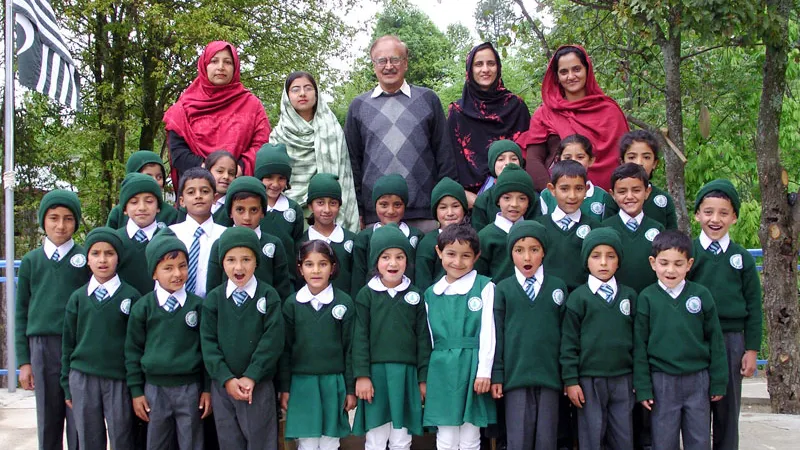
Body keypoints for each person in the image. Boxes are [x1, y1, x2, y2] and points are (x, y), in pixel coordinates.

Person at [345, 35, 457, 232]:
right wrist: (360, 210)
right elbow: (352, 163)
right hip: (377, 216)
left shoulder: (428, 99)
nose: (389, 66)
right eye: (382, 60)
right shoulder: (358, 107)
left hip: (425, 213)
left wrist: (446, 203)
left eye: (395, 59)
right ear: (374, 65)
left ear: (405, 63)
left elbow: (445, 154)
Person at [633, 230, 728, 450]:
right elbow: (640, 346)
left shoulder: (701, 295)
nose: (670, 270)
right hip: (662, 381)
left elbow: (715, 341)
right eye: (664, 263)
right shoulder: (647, 298)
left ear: (689, 264)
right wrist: (644, 387)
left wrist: (718, 381)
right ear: (653, 263)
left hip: (698, 380)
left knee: (699, 439)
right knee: (664, 440)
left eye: (678, 263)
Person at [689, 180, 762, 450]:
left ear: (734, 216)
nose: (715, 219)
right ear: (697, 215)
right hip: (696, 339)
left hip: (731, 341)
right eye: (708, 212)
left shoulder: (741, 258)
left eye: (723, 213)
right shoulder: (689, 254)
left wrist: (751, 349)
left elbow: (754, 306)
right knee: (696, 407)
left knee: (727, 409)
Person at [201, 227, 285, 450]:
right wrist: (226, 378)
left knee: (261, 442)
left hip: (257, 385)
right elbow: (208, 343)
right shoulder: (214, 299)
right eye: (231, 260)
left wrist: (252, 375)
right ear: (222, 263)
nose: (239, 267)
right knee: (229, 441)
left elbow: (272, 340)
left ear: (256, 261)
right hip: (223, 387)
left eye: (246, 259)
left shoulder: (268, 296)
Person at [125, 230, 210, 450]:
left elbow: (207, 350)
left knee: (191, 442)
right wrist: (136, 391)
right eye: (168, 268)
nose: (177, 274)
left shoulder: (198, 307)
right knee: (157, 443)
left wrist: (207, 389)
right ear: (154, 273)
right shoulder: (143, 308)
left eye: (182, 266)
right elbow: (133, 352)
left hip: (190, 388)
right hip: (154, 389)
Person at [16, 189, 87, 450]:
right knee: (48, 415)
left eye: (68, 218)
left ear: (76, 222)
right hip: (42, 347)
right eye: (53, 218)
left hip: (78, 346)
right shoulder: (31, 261)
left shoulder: (86, 258)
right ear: (43, 220)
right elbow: (21, 311)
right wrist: (24, 361)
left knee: (78, 414)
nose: (60, 225)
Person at [352, 224, 431, 450]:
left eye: (399, 256)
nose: (393, 263)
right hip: (375, 376)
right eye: (385, 257)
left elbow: (423, 340)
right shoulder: (366, 295)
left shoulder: (416, 295)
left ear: (407, 261)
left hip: (406, 375)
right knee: (376, 437)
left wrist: (422, 378)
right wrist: (362, 376)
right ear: (375, 261)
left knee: (401, 437)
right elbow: (359, 338)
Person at [61, 227, 140, 450]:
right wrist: (67, 384)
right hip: (83, 379)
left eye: (109, 253)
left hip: (118, 380)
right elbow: (68, 344)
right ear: (87, 259)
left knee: (122, 436)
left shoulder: (131, 297)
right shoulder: (78, 298)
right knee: (88, 437)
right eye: (95, 253)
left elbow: (136, 345)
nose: (102, 260)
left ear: (118, 258)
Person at [492, 221, 568, 450]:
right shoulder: (503, 289)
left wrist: (567, 376)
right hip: (515, 378)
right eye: (519, 250)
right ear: (511, 253)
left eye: (534, 250)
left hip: (550, 377)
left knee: (547, 440)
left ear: (544, 251)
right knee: (518, 439)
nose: (527, 257)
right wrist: (497, 375)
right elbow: (497, 336)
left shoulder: (558, 287)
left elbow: (566, 336)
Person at [560, 228, 637, 450]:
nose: (603, 262)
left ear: (618, 261)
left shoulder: (629, 297)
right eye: (596, 256)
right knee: (592, 436)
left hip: (623, 378)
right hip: (589, 381)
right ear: (586, 261)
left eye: (610, 256)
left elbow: (639, 341)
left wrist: (638, 378)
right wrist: (571, 380)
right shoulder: (578, 299)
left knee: (623, 437)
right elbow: (569, 343)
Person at [516, 45, 629, 191]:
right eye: (564, 72)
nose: (570, 76)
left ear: (587, 70)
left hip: (610, 199)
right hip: (561, 201)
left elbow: (626, 158)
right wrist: (555, 196)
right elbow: (533, 160)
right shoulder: (545, 113)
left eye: (576, 69)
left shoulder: (610, 111)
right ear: (557, 76)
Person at [423, 223, 496, 450]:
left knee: (470, 434)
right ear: (439, 252)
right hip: (441, 369)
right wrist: (425, 376)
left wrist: (484, 371)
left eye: (466, 255)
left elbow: (488, 332)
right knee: (445, 435)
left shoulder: (484, 287)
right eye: (451, 254)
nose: (457, 261)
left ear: (477, 256)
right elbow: (428, 339)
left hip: (472, 366)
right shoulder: (430, 294)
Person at [278, 241, 356, 450]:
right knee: (307, 443)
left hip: (333, 383)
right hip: (302, 385)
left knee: (330, 442)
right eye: (309, 264)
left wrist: (350, 389)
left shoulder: (344, 303)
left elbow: (350, 349)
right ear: (300, 269)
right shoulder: (292, 305)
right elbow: (284, 350)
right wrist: (285, 388)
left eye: (323, 264)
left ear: (333, 267)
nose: (316, 270)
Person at [164, 40, 270, 187]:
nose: (221, 67)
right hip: (196, 192)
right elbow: (178, 152)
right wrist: (208, 172)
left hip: (240, 191)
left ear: (235, 67)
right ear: (204, 65)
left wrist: (236, 171)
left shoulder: (252, 106)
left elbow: (261, 145)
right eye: (214, 61)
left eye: (227, 62)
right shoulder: (183, 108)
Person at [270, 71, 360, 232]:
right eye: (295, 89)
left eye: (308, 88)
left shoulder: (332, 130)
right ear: (287, 96)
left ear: (316, 94)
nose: (302, 93)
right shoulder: (279, 135)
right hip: (289, 209)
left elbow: (344, 175)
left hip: (329, 210)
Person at [446, 42, 530, 206]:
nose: (485, 69)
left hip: (514, 199)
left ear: (498, 67)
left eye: (491, 63)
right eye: (478, 64)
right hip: (469, 203)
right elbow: (450, 162)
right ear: (470, 69)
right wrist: (465, 196)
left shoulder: (516, 107)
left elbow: (527, 156)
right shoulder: (457, 112)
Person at [205, 176, 293, 300]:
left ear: (263, 212)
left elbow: (282, 290)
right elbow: (212, 291)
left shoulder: (274, 244)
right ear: (230, 211)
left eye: (254, 210)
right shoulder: (219, 245)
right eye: (240, 209)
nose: (247, 217)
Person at [351, 174, 425, 294]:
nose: (391, 211)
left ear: (405, 205)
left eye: (397, 205)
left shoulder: (416, 237)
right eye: (384, 205)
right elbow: (358, 278)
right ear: (375, 205)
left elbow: (421, 276)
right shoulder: (364, 238)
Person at [536, 160, 601, 291]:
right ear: (552, 189)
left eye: (579, 189)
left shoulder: (595, 229)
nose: (572, 196)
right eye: (564, 189)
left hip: (581, 300)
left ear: (586, 190)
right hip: (546, 298)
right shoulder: (538, 227)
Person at [601, 163, 664, 293]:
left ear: (647, 192)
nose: (629, 196)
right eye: (622, 191)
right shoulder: (604, 229)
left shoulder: (658, 229)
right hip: (617, 301)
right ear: (613, 194)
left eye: (636, 190)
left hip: (650, 301)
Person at [295, 173, 358, 295]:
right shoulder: (301, 243)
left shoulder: (352, 240)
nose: (327, 209)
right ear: (310, 206)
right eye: (320, 203)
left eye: (333, 203)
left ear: (339, 206)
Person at [169, 167, 226, 298]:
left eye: (205, 191)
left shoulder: (225, 235)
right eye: (191, 192)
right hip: (178, 305)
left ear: (214, 198)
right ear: (182, 201)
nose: (198, 196)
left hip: (213, 306)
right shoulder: (171, 234)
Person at [475, 164, 537, 282]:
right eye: (507, 198)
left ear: (529, 202)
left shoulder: (534, 233)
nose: (514, 204)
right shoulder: (485, 236)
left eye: (522, 198)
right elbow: (479, 277)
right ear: (498, 200)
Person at [605, 130, 678, 230]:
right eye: (632, 157)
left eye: (646, 157)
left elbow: (672, 239)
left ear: (655, 163)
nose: (639, 162)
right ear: (622, 162)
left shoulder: (663, 200)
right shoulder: (613, 199)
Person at [256, 143, 304, 280]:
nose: (275, 184)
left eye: (281, 178)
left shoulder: (294, 209)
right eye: (269, 178)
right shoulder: (251, 208)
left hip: (286, 279)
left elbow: (297, 247)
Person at [539, 134, 616, 221]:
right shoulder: (546, 195)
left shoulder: (602, 196)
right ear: (559, 159)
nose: (573, 161)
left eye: (580, 157)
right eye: (567, 157)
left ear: (591, 160)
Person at [116, 173, 170, 295]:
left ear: (158, 206)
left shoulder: (168, 238)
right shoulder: (115, 240)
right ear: (124, 208)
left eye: (149, 201)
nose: (142, 207)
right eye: (134, 202)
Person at [471, 140, 538, 232]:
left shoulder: (532, 195)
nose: (507, 163)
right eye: (501, 159)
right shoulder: (483, 199)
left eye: (513, 159)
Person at [415, 177, 467, 290]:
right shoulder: (427, 243)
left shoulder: (471, 239)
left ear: (464, 208)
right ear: (435, 211)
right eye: (443, 207)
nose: (450, 213)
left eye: (455, 206)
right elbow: (422, 280)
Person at [106, 150, 179, 229]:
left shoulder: (171, 214)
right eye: (148, 176)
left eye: (159, 177)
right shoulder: (118, 214)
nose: (155, 182)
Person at [204, 150, 239, 225]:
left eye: (231, 173)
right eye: (220, 171)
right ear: (207, 172)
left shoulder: (234, 205)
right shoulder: (196, 201)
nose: (226, 176)